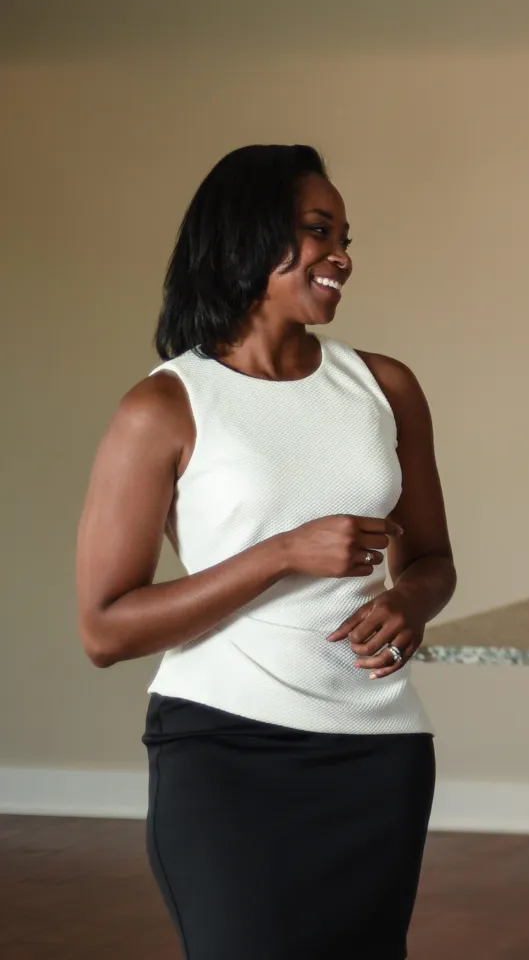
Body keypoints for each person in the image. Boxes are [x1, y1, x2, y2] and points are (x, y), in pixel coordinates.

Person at [73, 144, 456, 960]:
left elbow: (432, 560)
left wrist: (407, 604)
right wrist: (281, 552)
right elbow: (105, 629)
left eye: (346, 235)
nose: (342, 255)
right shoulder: (165, 405)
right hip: (226, 749)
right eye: (319, 231)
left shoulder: (384, 387)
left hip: (379, 753)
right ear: (248, 237)